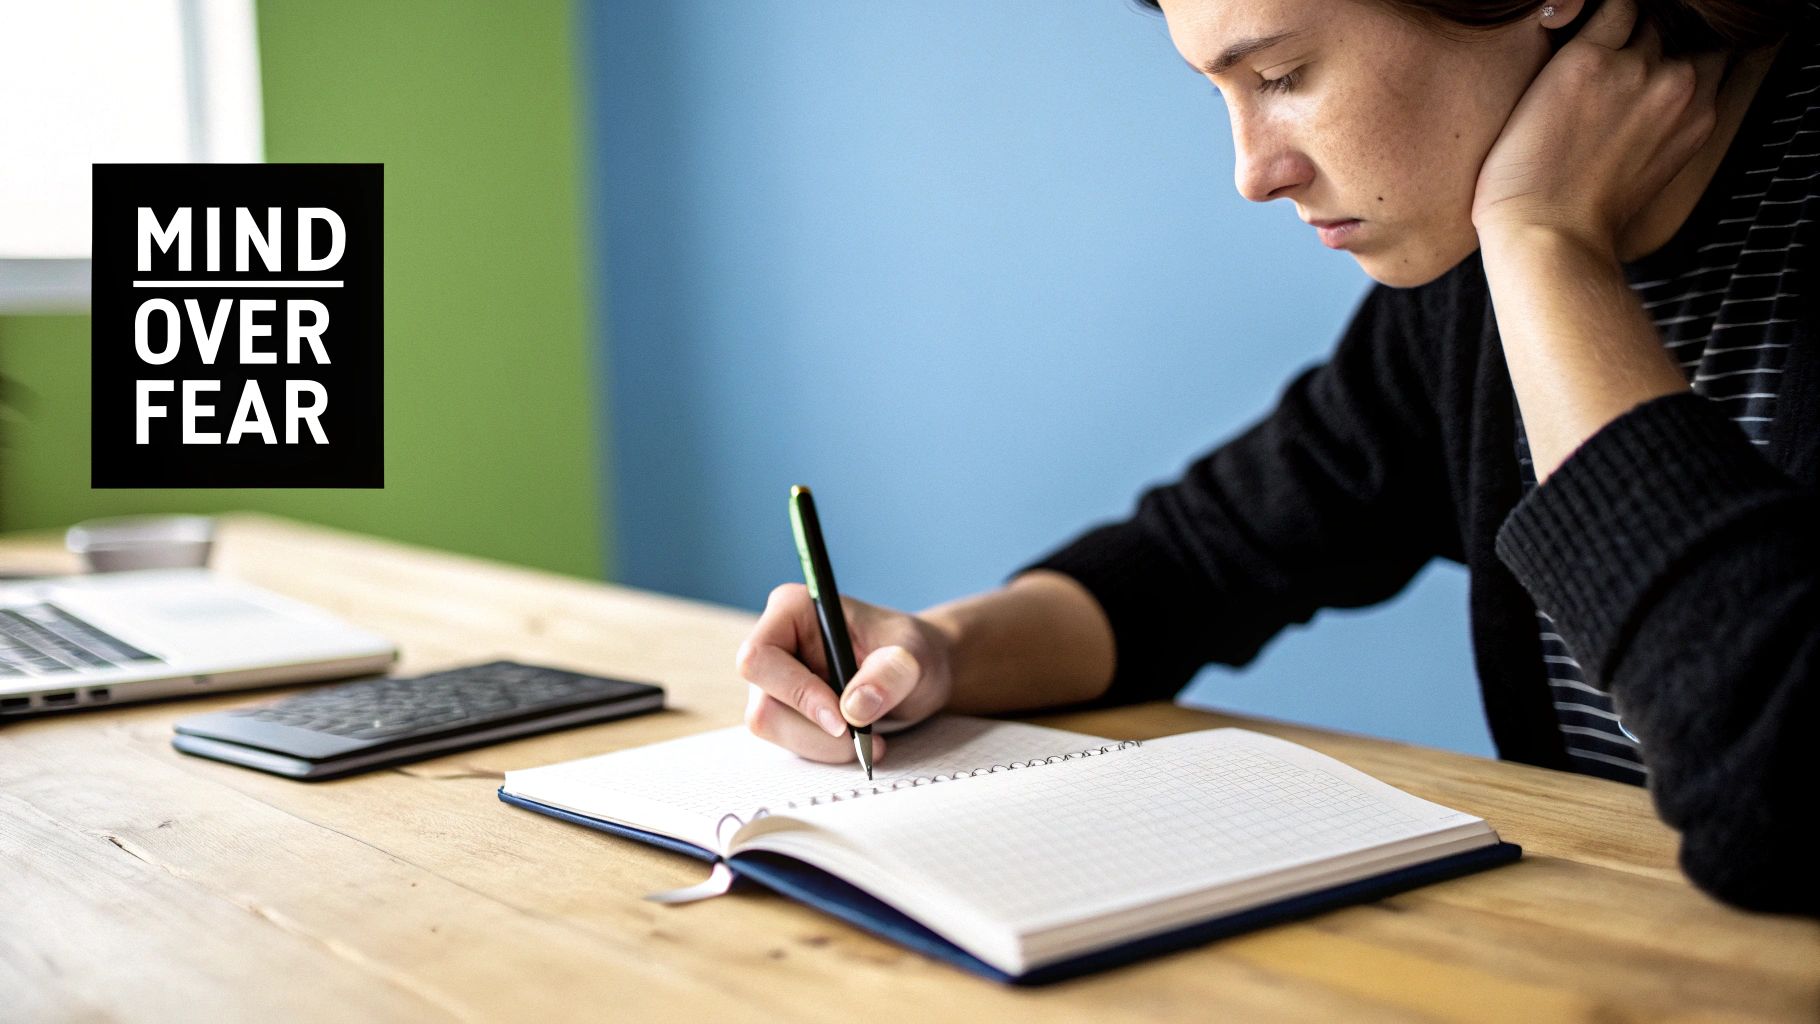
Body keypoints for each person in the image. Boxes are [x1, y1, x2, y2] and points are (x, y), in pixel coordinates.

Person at [735, 0, 1818, 917]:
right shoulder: (1455, 293)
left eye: (1283, 74)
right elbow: (1201, 558)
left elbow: (1779, 803)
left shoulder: (1517, 241)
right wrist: (935, 652)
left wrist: (1541, 244)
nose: (1252, 172)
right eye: (1218, 91)